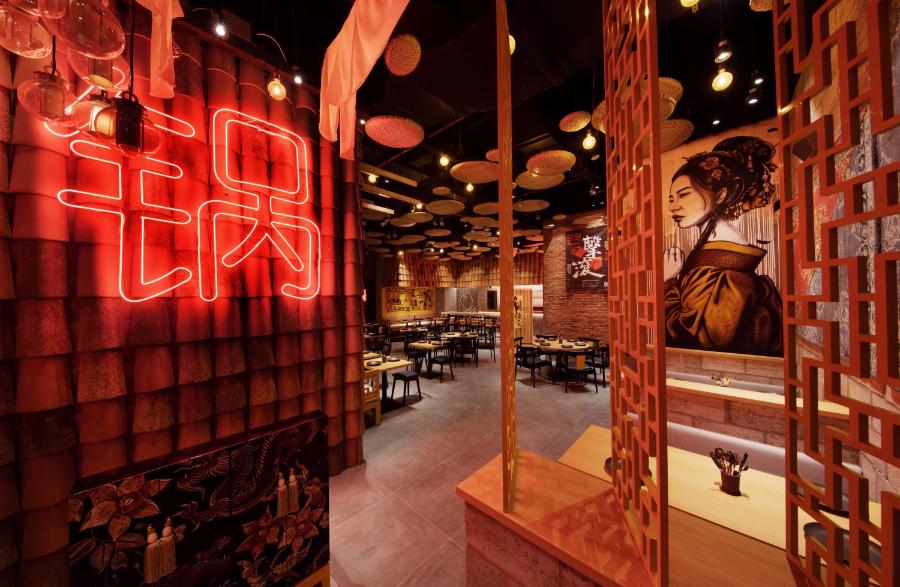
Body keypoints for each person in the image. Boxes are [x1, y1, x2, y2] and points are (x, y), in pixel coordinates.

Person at [663, 136, 782, 355]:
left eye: (684, 194)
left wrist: (668, 282)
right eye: (671, 199)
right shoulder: (715, 251)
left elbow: (699, 338)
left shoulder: (725, 266)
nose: (673, 206)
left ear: (720, 195)